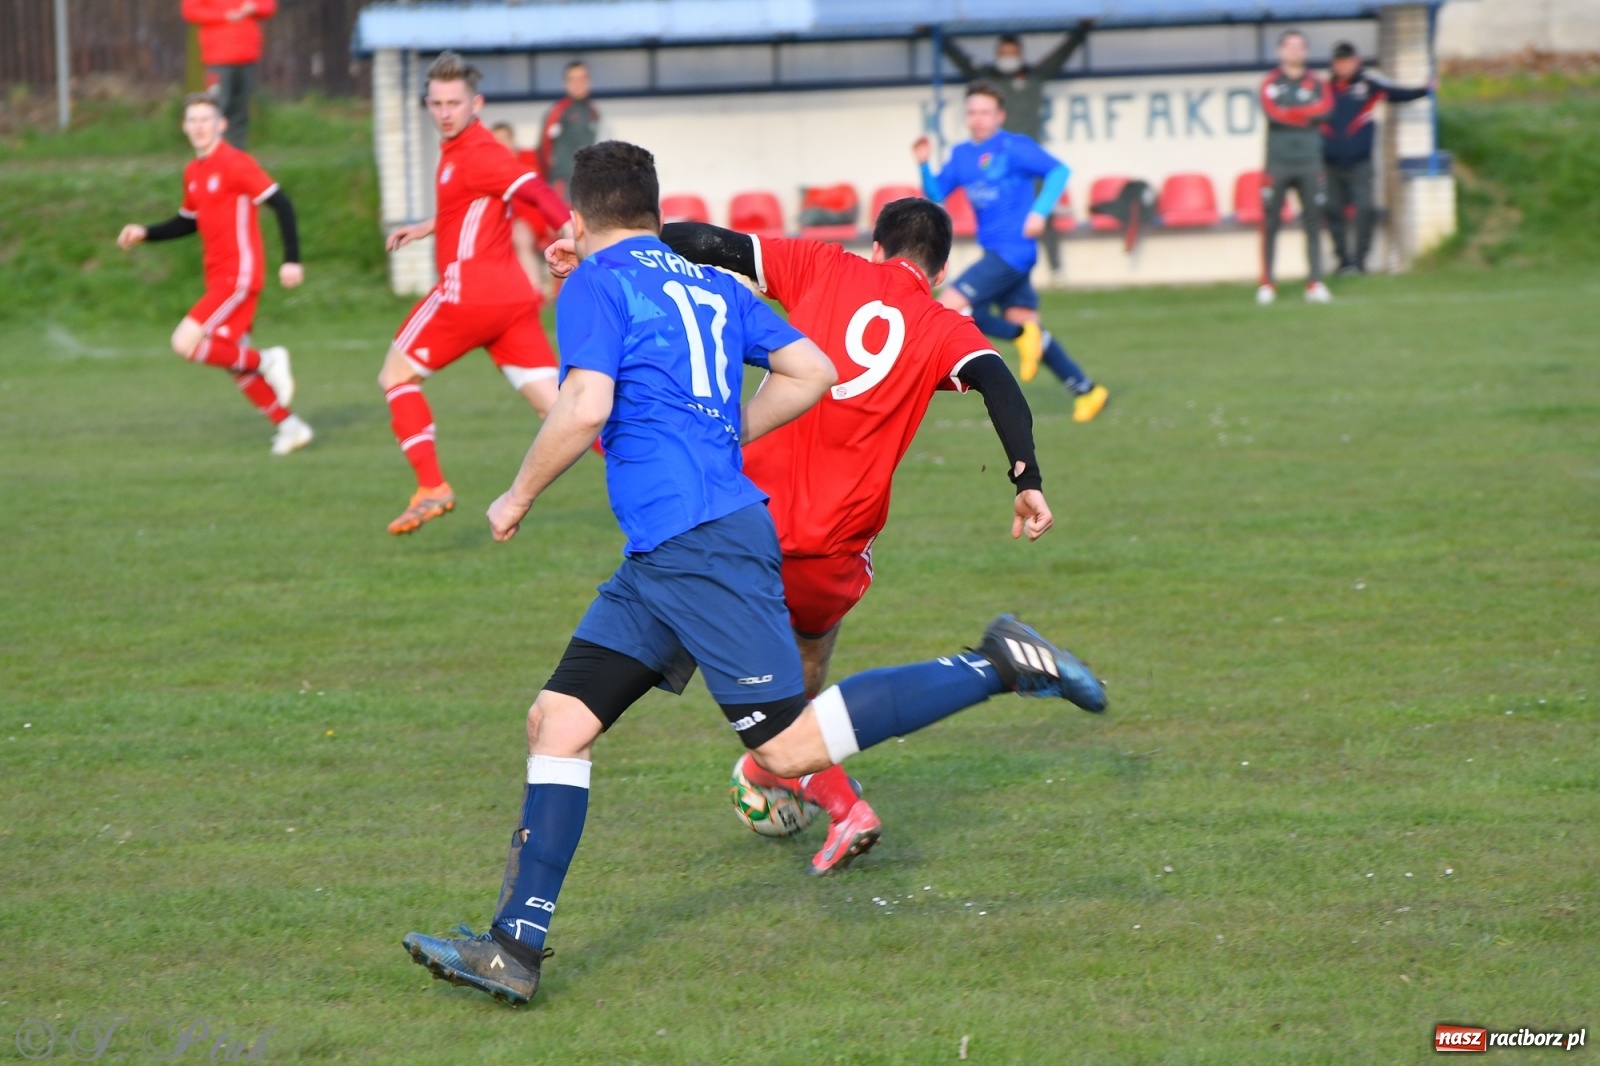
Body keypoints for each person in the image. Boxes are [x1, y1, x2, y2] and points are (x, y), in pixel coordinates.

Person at [401, 140, 1107, 1007]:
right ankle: (514, 948)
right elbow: (812, 369)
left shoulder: (600, 281)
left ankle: (996, 663)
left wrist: (515, 496)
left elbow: (584, 405)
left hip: (701, 546)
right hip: (666, 555)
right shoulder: (711, 285)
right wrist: (733, 428)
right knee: (557, 722)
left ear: (578, 220)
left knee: (781, 747)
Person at [659, 198, 1056, 874]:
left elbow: (706, 241)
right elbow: (998, 380)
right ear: (937, 269)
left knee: (738, 682)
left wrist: (609, 245)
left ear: (875, 246)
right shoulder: (939, 324)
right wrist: (1026, 476)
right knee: (809, 656)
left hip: (748, 516)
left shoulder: (819, 264)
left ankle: (835, 798)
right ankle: (795, 766)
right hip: (837, 546)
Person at [379, 53, 573, 536]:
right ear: (428, 103)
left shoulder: (481, 152)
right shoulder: (459, 151)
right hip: (512, 302)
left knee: (395, 377)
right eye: (438, 103)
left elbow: (535, 192)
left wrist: (570, 232)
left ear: (476, 103)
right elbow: (473, 203)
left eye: (455, 103)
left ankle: (431, 487)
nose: (445, 112)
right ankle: (657, 465)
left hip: (467, 297)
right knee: (565, 411)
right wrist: (428, 227)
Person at [116, 92, 311, 456]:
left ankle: (269, 360)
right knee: (230, 359)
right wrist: (146, 232)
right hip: (218, 276)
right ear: (184, 127)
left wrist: (292, 259)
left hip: (238, 275)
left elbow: (281, 203)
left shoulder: (235, 162)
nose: (199, 126)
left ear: (221, 124)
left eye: (206, 119)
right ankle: (291, 426)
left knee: (184, 342)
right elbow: (188, 221)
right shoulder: (194, 171)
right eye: (193, 120)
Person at [913, 82, 1110, 423]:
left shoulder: (1013, 147)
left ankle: (1019, 337)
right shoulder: (962, 155)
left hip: (1014, 251)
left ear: (999, 115)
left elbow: (1059, 171)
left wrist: (1039, 211)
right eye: (972, 112)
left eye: (985, 112)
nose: (978, 118)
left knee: (949, 304)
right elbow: (936, 194)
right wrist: (923, 165)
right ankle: (1088, 390)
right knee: (1030, 326)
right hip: (997, 251)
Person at [941, 24, 1092, 275]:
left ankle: (1056, 269)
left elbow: (1059, 57)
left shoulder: (1033, 77)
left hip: (1026, 159)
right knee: (997, 213)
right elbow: (963, 62)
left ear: (1020, 54)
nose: (1007, 57)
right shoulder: (988, 80)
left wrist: (1081, 32)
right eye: (1003, 52)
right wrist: (939, 36)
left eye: (1012, 53)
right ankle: (1000, 265)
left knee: (1043, 209)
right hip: (997, 161)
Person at [1321, 41, 1432, 274]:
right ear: (1334, 64)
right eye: (1339, 62)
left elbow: (1397, 93)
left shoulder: (1369, 84)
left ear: (1356, 61)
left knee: (1364, 209)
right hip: (1330, 165)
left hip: (1360, 163)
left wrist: (1425, 89)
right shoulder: (1324, 89)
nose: (1343, 66)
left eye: (1348, 61)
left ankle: (1360, 262)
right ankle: (1343, 262)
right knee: (1333, 211)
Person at [1257, 30, 1335, 305]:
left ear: (1305, 52)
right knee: (1270, 223)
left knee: (1313, 223)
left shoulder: (1318, 84)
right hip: (1277, 164)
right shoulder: (1270, 83)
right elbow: (1273, 114)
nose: (1293, 52)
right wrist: (1305, 114)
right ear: (1280, 52)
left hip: (1310, 164)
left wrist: (1292, 112)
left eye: (1299, 47)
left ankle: (1315, 283)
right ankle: (1267, 284)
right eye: (1288, 47)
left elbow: (1325, 110)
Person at [181, 0, 276, 149]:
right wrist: (224, 15)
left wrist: (253, 7)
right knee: (216, 109)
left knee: (241, 111)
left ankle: (238, 158)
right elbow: (191, 11)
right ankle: (213, 156)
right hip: (218, 57)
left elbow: (268, 6)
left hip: (247, 56)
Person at [490, 121, 555, 294]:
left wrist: (554, 219)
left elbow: (550, 188)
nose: (501, 145)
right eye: (496, 141)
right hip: (511, 221)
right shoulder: (493, 169)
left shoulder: (533, 158)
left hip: (539, 218)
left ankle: (536, 290)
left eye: (504, 139)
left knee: (520, 236)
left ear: (512, 139)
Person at [537, 60, 600, 198]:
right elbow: (543, 148)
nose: (578, 83)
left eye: (582, 78)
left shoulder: (593, 112)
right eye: (573, 79)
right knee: (566, 219)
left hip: (588, 182)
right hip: (564, 182)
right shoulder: (558, 111)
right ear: (565, 84)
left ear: (590, 81)